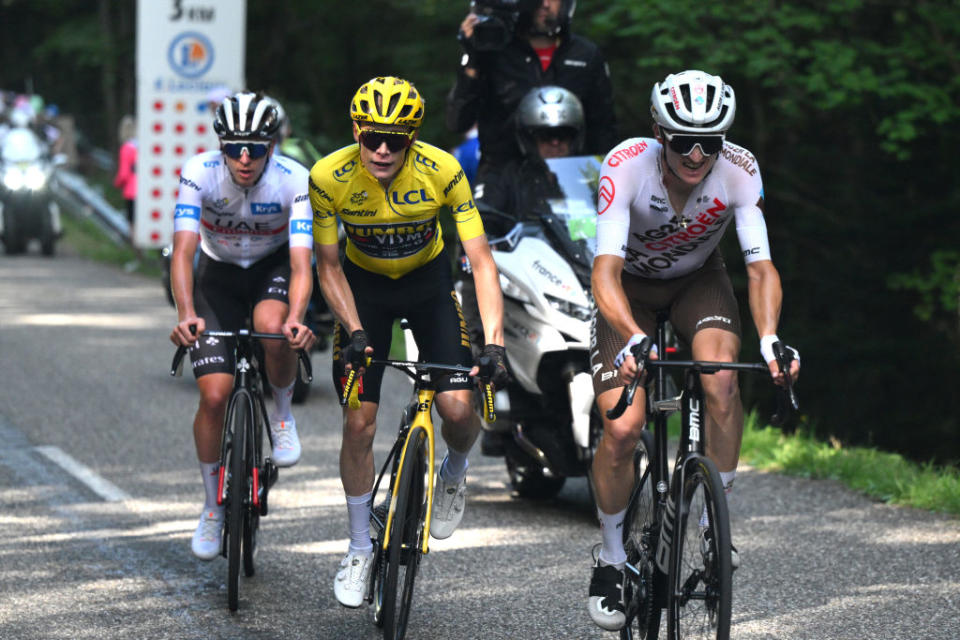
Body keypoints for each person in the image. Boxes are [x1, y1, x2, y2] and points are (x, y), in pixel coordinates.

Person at [586, 70, 801, 630]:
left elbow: (760, 268)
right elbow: (604, 271)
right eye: (683, 140)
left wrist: (771, 338)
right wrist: (632, 335)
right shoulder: (625, 164)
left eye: (711, 142)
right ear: (659, 132)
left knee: (722, 379)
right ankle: (611, 556)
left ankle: (712, 521)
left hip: (698, 282)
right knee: (623, 428)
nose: (697, 154)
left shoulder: (740, 170)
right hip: (627, 290)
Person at [308, 76, 508, 608]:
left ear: (412, 138)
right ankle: (357, 548)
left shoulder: (443, 171)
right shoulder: (328, 176)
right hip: (362, 292)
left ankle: (454, 473)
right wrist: (352, 331)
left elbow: (482, 260)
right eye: (372, 136)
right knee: (358, 420)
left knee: (460, 409)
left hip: (428, 288)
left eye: (395, 140)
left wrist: (495, 343)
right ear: (356, 130)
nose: (381, 149)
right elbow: (327, 266)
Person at [168, 91, 316, 561]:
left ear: (273, 145)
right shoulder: (199, 173)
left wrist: (297, 318)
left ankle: (283, 414)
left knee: (274, 329)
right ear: (221, 147)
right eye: (234, 148)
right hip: (219, 276)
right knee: (214, 393)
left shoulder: (295, 178)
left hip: (271, 269)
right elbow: (184, 252)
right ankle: (212, 507)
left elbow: (301, 261)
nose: (246, 158)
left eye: (257, 147)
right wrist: (185, 314)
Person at [446, 0, 617, 187]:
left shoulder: (585, 55)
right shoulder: (494, 53)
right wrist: (471, 59)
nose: (544, 4)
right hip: (503, 187)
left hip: (570, 184)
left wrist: (604, 186)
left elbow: (603, 130)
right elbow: (458, 121)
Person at [113, 115, 137, 229]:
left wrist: (116, 183)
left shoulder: (126, 148)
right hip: (146, 190)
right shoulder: (143, 147)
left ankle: (136, 246)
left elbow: (124, 174)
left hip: (131, 191)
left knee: (132, 223)